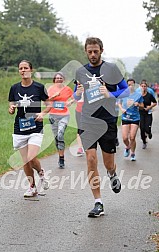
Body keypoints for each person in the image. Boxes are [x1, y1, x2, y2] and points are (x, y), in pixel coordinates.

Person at [73, 37, 129, 217]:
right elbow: (75, 96)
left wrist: (111, 93)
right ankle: (98, 203)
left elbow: (126, 90)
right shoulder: (81, 71)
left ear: (101, 50)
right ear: (85, 51)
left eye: (95, 51)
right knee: (90, 160)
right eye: (89, 51)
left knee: (108, 163)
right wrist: (77, 93)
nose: (92, 54)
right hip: (87, 119)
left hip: (107, 120)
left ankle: (112, 174)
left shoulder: (111, 69)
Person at [8, 60, 50, 198]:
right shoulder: (14, 88)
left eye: (26, 68)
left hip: (35, 126)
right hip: (20, 127)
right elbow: (11, 108)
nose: (23, 70)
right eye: (21, 68)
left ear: (31, 70)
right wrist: (11, 108)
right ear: (19, 71)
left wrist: (43, 114)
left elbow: (49, 104)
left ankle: (41, 173)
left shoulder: (39, 87)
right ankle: (32, 187)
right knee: (25, 160)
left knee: (31, 158)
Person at [47, 72, 75, 168]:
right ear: (54, 80)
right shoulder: (50, 89)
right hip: (53, 115)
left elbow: (74, 98)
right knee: (57, 138)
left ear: (63, 79)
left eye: (60, 78)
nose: (58, 79)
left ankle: (61, 158)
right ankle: (61, 157)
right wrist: (54, 96)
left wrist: (70, 102)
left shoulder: (67, 89)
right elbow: (47, 101)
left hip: (64, 115)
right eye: (57, 78)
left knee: (60, 134)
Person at [118, 78, 144, 161]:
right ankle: (128, 147)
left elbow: (142, 106)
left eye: (132, 85)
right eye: (128, 85)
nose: (130, 86)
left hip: (135, 118)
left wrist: (138, 104)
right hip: (125, 117)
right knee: (125, 138)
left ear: (134, 85)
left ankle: (133, 153)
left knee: (132, 137)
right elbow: (119, 103)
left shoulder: (138, 95)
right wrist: (122, 109)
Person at [139, 82, 157, 149]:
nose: (143, 87)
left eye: (145, 86)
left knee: (147, 128)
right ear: (140, 87)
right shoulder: (138, 96)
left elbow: (155, 102)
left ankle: (149, 133)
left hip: (148, 114)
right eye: (142, 86)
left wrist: (150, 107)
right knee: (142, 129)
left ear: (147, 87)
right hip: (141, 114)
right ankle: (144, 142)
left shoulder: (149, 95)